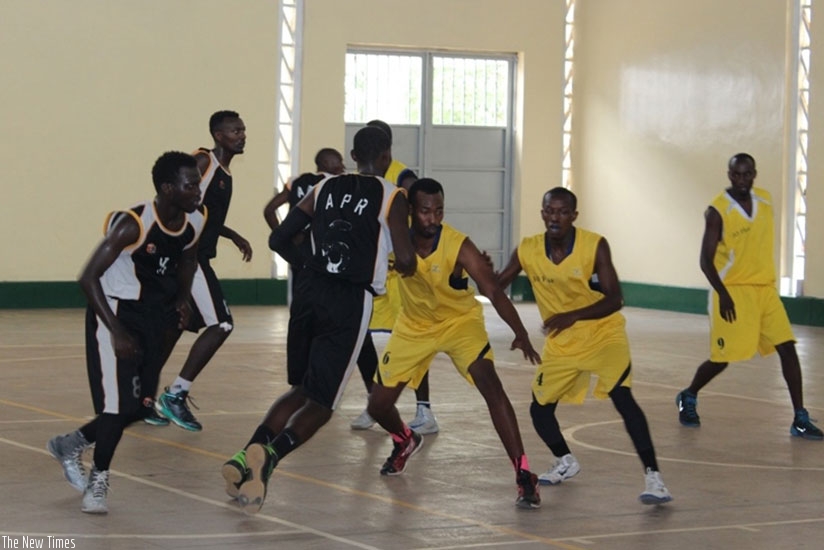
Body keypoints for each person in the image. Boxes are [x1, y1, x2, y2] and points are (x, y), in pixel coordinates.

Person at [221, 126, 417, 514]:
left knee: (300, 389)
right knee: (322, 403)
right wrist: (397, 262)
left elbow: (278, 240)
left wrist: (310, 265)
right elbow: (408, 260)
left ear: (353, 153)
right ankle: (269, 459)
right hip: (348, 300)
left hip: (308, 294)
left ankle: (246, 456)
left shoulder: (323, 187)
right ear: (386, 157)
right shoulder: (392, 195)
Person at [366, 178, 543, 509]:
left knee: (492, 387)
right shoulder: (394, 242)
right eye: (425, 212)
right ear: (410, 213)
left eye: (439, 211)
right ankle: (405, 439)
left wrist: (520, 331)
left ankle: (523, 473)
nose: (433, 219)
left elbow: (492, 291)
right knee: (377, 406)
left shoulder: (459, 245)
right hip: (414, 327)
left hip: (460, 324)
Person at [47, 152, 205, 514]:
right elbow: (87, 277)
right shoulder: (133, 224)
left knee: (142, 406)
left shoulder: (194, 220)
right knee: (117, 407)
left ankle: (70, 443)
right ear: (167, 188)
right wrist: (116, 330)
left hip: (154, 317)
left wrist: (182, 298)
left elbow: (189, 259)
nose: (198, 190)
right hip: (115, 313)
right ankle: (98, 481)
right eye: (191, 184)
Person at [497, 186, 673, 505]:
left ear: (574, 216)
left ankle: (654, 477)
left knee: (623, 398)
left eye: (563, 212)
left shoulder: (594, 246)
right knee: (540, 409)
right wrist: (477, 270)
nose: (555, 217)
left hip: (603, 334)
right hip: (563, 341)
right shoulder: (528, 249)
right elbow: (498, 285)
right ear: (542, 213)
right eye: (550, 210)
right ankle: (565, 460)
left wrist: (571, 315)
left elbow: (615, 298)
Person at [676, 153, 822, 440]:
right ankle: (689, 395)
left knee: (787, 347)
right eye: (736, 174)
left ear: (755, 174)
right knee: (723, 358)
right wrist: (723, 295)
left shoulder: (765, 201)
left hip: (765, 290)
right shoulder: (717, 211)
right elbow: (705, 261)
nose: (742, 180)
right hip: (733, 291)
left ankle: (800, 417)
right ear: (729, 175)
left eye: (747, 174)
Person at [148, 110, 253, 432]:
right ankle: (176, 394)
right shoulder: (203, 162)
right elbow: (178, 200)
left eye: (243, 129)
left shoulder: (225, 173)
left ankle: (142, 397)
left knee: (175, 326)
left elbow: (202, 213)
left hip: (191, 256)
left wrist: (230, 234)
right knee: (221, 324)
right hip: (188, 260)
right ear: (219, 136)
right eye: (235, 130)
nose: (242, 135)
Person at [350, 125, 439, 435]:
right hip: (375, 271)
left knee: (413, 339)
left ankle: (424, 410)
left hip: (402, 273)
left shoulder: (403, 178)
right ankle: (376, 402)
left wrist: (414, 251)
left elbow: (425, 215)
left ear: (386, 150)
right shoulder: (362, 178)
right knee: (361, 337)